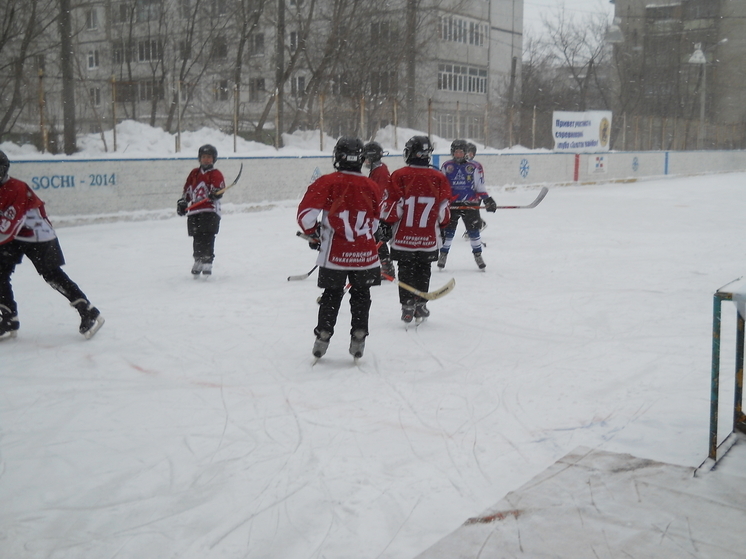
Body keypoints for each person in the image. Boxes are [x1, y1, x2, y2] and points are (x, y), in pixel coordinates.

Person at [0, 150, 104, 340]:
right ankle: (8, 318)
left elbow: (7, 228)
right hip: (14, 236)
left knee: (51, 274)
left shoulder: (16, 188)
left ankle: (87, 310)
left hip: (38, 234)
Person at [297, 137, 383, 359]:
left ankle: (323, 334)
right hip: (365, 254)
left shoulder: (327, 182)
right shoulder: (372, 185)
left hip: (335, 254)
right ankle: (359, 334)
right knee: (362, 295)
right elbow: (374, 224)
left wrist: (314, 233)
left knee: (332, 295)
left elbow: (306, 216)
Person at [387, 136, 452, 323]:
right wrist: (444, 226)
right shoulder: (439, 177)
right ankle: (421, 303)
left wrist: (386, 224)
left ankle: (407, 304)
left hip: (403, 237)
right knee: (424, 269)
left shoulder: (399, 175)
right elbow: (444, 211)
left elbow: (393, 208)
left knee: (405, 269)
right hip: (428, 238)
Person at [438, 139, 497, 270]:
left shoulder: (475, 167)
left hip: (470, 203)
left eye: (460, 152)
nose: (458, 154)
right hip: (451, 204)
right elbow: (441, 186)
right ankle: (443, 254)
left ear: (465, 153)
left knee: (473, 231)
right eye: (456, 152)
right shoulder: (447, 166)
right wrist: (439, 201)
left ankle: (478, 255)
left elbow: (479, 186)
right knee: (448, 232)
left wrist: (487, 199)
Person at [176, 144, 225, 276]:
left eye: (209, 157)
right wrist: (183, 202)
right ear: (199, 158)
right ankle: (198, 259)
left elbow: (219, 189)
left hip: (210, 210)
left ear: (213, 159)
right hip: (195, 211)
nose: (206, 160)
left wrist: (215, 193)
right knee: (197, 237)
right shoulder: (194, 173)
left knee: (207, 236)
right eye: (203, 157)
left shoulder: (216, 173)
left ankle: (207, 260)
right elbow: (187, 190)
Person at [362, 141, 396, 279]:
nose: (364, 160)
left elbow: (380, 194)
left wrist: (375, 213)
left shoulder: (380, 171)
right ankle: (385, 267)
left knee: (376, 238)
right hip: (380, 211)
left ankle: (387, 268)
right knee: (375, 238)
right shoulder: (377, 169)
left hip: (381, 212)